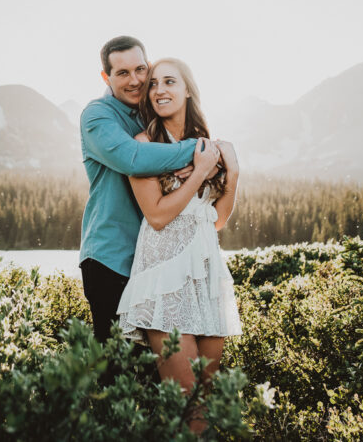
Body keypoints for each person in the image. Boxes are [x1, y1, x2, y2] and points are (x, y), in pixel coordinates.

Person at [116, 57, 242, 434]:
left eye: (169, 81)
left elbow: (216, 220)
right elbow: (156, 215)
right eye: (153, 84)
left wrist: (231, 173)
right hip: (164, 280)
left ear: (188, 89)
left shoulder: (207, 145)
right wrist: (201, 172)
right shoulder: (142, 146)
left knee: (207, 402)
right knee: (185, 399)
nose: (158, 90)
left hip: (205, 279)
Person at [79, 36, 212, 343]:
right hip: (111, 258)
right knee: (116, 369)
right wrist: (199, 152)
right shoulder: (97, 116)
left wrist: (206, 158)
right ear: (106, 77)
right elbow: (134, 159)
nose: (136, 80)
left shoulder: (152, 112)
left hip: (156, 261)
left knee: (158, 372)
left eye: (141, 69)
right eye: (123, 73)